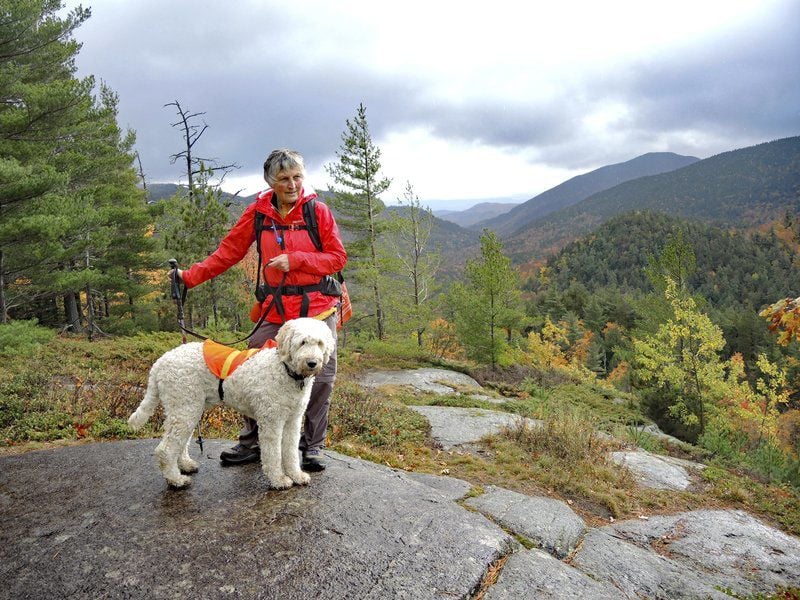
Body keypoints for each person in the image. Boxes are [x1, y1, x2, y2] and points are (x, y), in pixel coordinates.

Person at [174, 149, 347, 471]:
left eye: (297, 177)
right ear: (271, 181)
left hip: (318, 307)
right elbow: (228, 252)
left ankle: (311, 447)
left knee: (321, 377)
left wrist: (295, 259)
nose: (292, 184)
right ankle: (251, 442)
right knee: (252, 369)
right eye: (284, 179)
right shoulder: (258, 213)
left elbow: (337, 258)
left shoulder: (317, 211)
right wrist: (190, 277)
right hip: (275, 308)